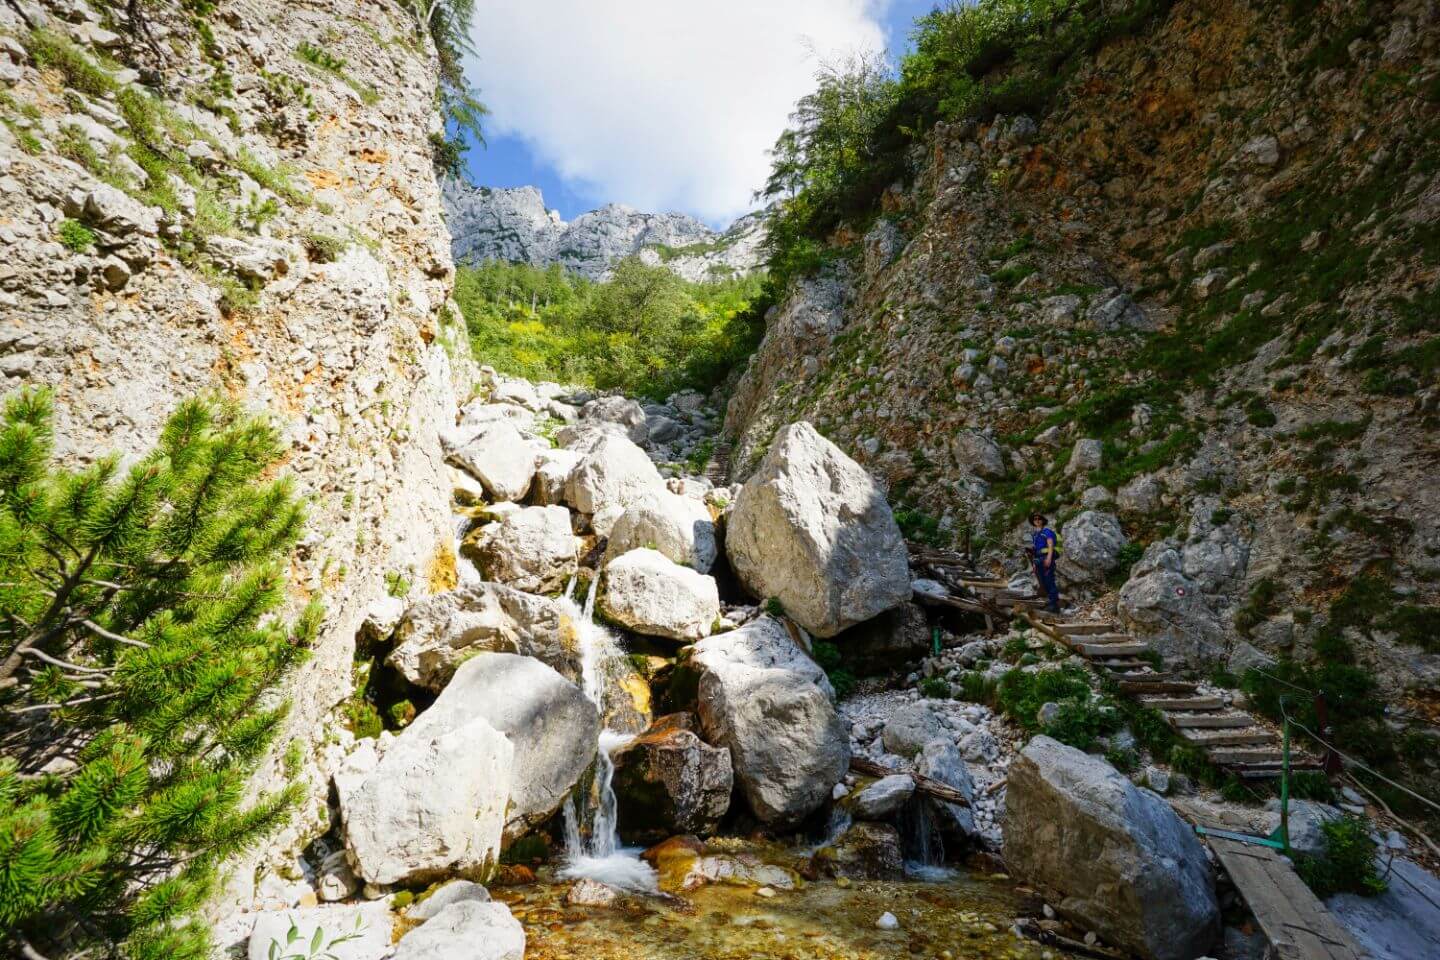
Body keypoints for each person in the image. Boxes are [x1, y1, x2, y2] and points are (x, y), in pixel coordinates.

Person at [1030, 513, 1060, 613]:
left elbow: (1050, 546)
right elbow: (1034, 550)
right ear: (1033, 522)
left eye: (1039, 519)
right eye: (1035, 519)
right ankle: (1050, 602)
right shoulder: (1035, 535)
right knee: (1043, 582)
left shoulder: (1047, 532)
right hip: (1038, 560)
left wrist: (1049, 558)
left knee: (1049, 580)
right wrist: (1034, 564)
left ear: (1043, 520)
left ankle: (1054, 605)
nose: (1037, 520)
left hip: (1046, 558)